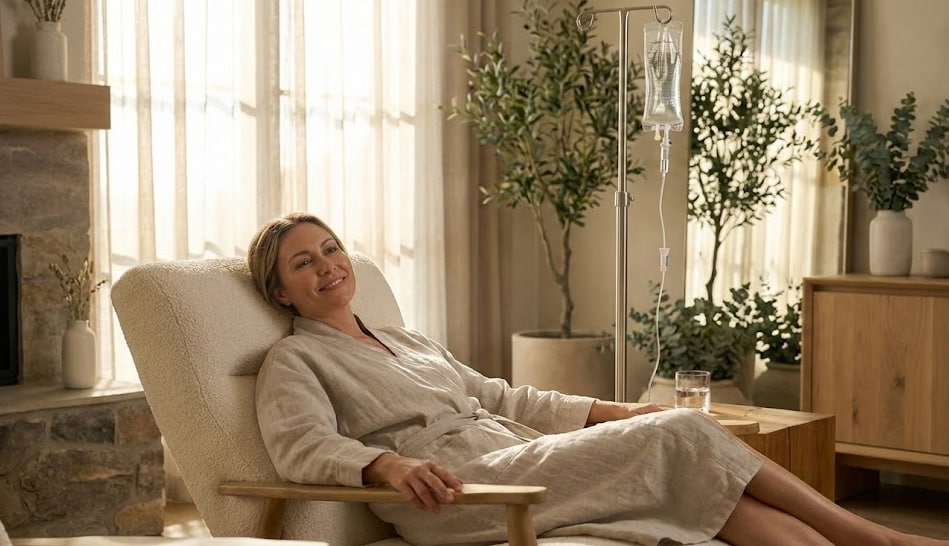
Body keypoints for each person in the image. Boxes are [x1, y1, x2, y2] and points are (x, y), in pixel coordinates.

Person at [248, 212, 946, 546]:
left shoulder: (404, 338)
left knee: (702, 477)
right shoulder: (295, 361)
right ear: (281, 292)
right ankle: (872, 537)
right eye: (304, 263)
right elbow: (300, 446)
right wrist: (386, 465)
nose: (327, 265)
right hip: (461, 495)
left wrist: (622, 411)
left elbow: (502, 397)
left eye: (331, 248)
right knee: (681, 430)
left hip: (514, 454)